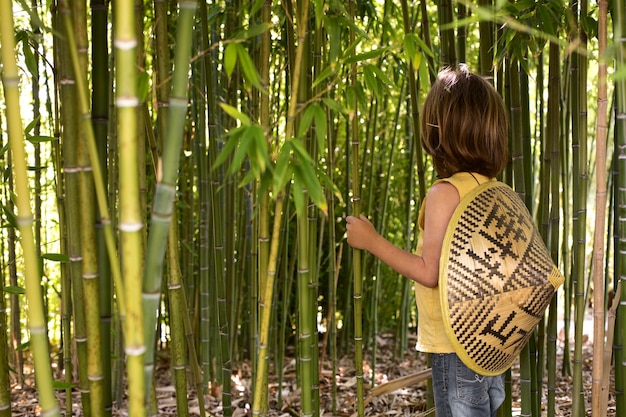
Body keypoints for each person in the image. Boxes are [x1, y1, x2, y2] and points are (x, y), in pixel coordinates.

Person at [345, 65, 509, 417]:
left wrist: (372, 241)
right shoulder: (495, 190)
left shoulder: (445, 194)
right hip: (492, 342)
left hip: (456, 344)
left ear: (439, 132)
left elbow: (429, 271)